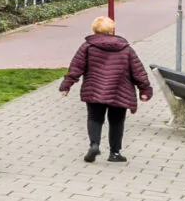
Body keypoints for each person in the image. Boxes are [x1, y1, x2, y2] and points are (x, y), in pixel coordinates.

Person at [59, 14, 153, 162]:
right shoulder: (126, 48)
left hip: (94, 89)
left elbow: (76, 67)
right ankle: (115, 153)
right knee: (116, 121)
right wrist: (145, 90)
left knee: (95, 118)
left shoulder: (88, 47)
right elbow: (138, 71)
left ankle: (94, 145)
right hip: (119, 91)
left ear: (94, 31)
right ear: (112, 31)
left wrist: (66, 85)